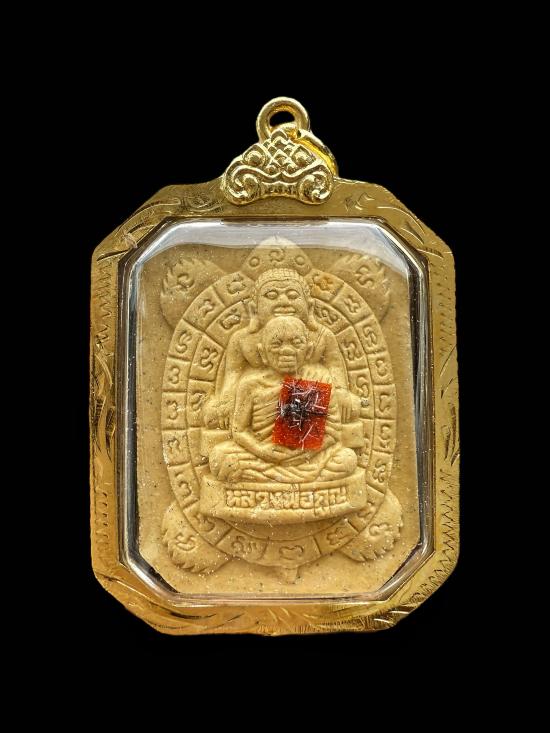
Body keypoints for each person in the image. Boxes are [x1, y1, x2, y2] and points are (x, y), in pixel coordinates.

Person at [208, 317, 357, 484]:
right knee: (221, 459)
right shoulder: (250, 384)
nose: (287, 350)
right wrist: (262, 451)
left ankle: (272, 480)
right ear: (263, 353)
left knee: (347, 459)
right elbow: (238, 431)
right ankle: (301, 482)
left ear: (308, 351)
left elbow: (333, 432)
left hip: (310, 457)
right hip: (262, 455)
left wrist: (306, 453)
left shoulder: (319, 377)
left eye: (296, 343)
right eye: (276, 344)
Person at [203, 267, 355, 429]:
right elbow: (233, 373)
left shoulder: (322, 336)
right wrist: (227, 399)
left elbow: (334, 365)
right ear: (254, 309)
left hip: (305, 402)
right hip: (257, 401)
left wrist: (341, 390)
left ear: (309, 307)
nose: (283, 301)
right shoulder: (243, 339)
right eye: (271, 295)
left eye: (292, 295)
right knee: (213, 416)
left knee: (350, 407)